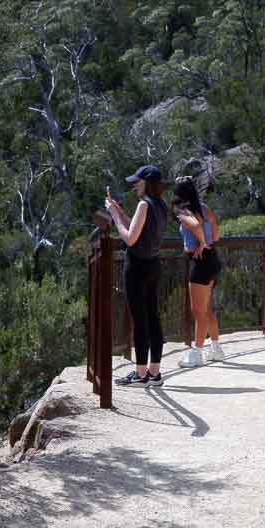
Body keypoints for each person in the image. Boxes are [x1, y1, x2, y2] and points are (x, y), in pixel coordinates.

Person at [105, 164, 170, 385]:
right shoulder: (161, 205)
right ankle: (154, 372)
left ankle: (141, 374)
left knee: (140, 321)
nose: (134, 186)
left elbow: (130, 239)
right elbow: (136, 226)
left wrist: (113, 214)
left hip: (136, 267)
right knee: (153, 317)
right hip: (153, 265)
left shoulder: (144, 205)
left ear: (147, 183)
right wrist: (120, 211)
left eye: (137, 182)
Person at [172, 175, 225, 368]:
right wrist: (208, 241)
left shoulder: (182, 211)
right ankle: (216, 348)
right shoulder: (204, 207)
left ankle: (196, 353)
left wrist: (201, 242)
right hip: (212, 257)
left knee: (198, 311)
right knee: (206, 307)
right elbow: (215, 229)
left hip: (200, 261)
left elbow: (194, 225)